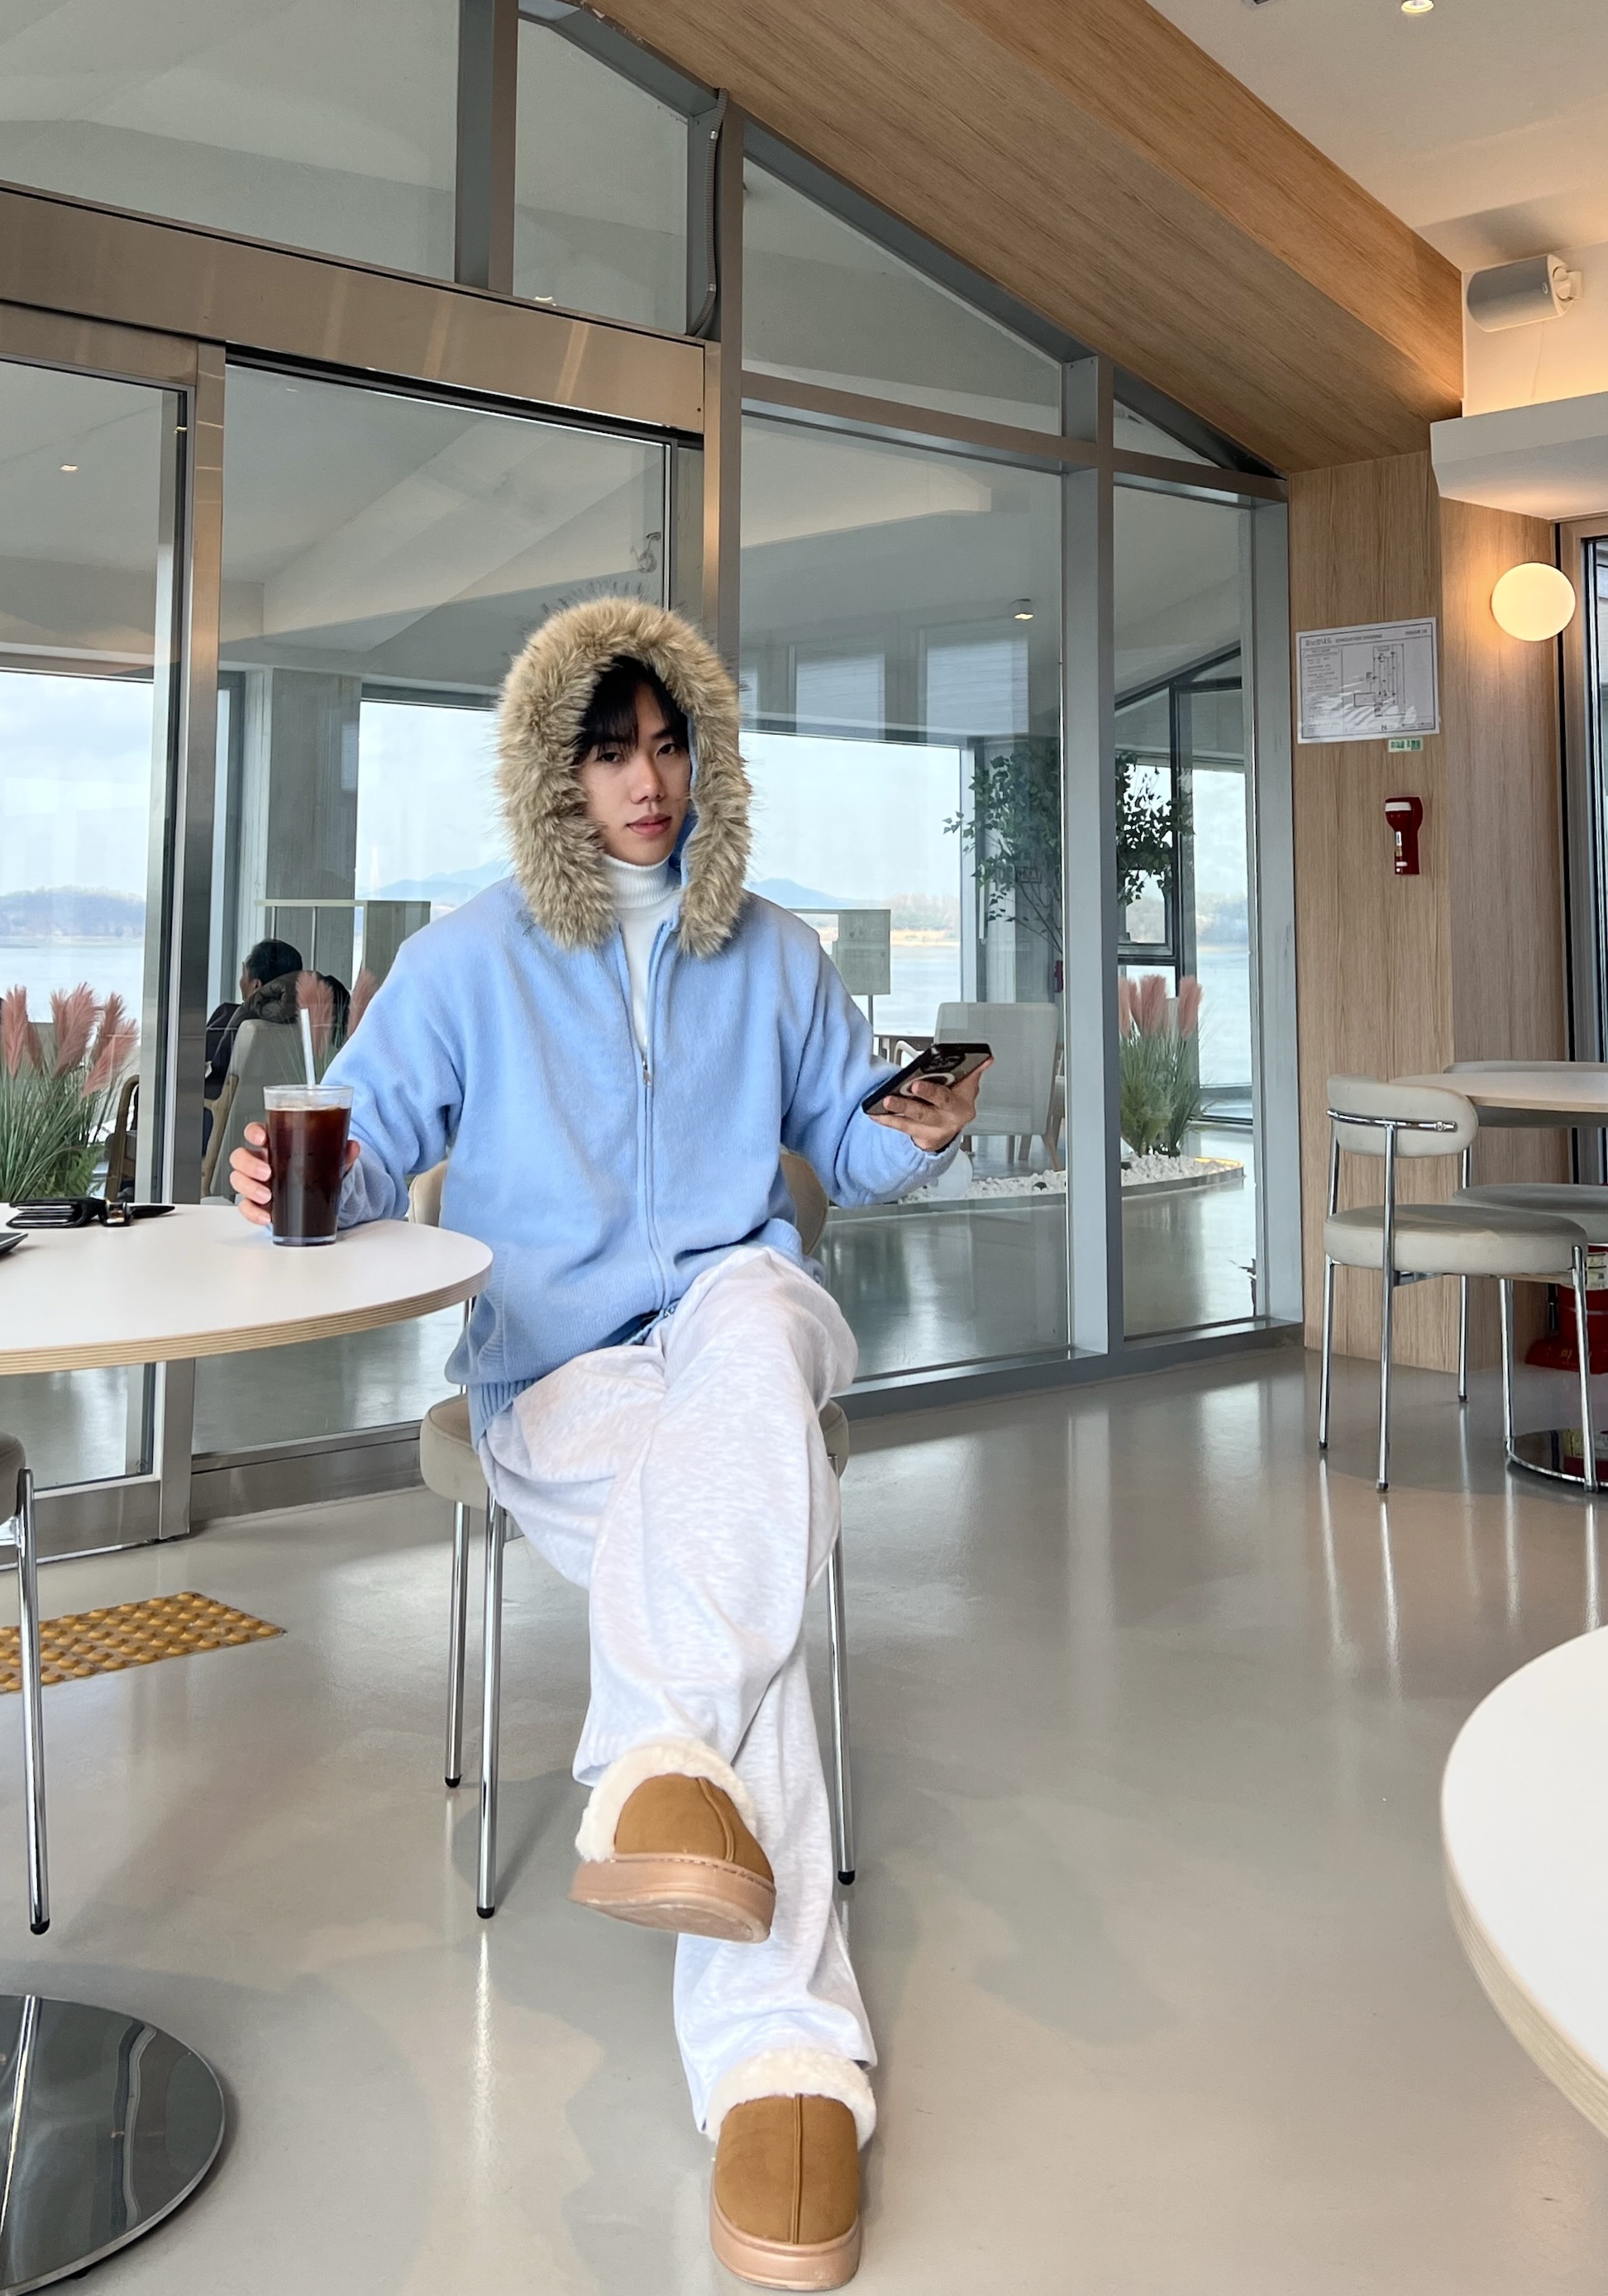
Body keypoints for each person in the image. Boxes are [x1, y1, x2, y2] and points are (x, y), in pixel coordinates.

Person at [228, 599, 984, 2289]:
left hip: (727, 1319)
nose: (648, 782)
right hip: (557, 1367)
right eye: (610, 752)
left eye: (669, 746)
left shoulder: (775, 954)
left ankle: (658, 1771)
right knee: (719, 1499)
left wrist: (914, 1128)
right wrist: (290, 1179)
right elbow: (366, 1146)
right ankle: (784, 2054)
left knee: (765, 1320)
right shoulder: (465, 961)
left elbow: (840, 1149)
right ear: (551, 775)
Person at [203, 937, 309, 1100]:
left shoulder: (229, 1018)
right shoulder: (308, 1025)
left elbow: (213, 1081)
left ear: (256, 985)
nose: (241, 981)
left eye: (244, 974)